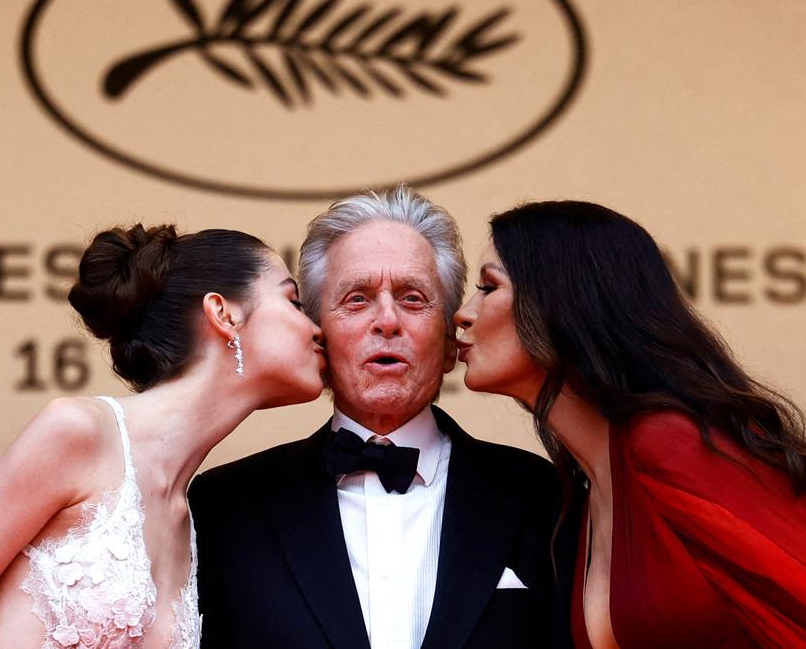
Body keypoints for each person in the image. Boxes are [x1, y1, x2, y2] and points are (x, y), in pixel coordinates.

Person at [453, 200, 806, 648]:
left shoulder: (672, 442)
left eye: (488, 287)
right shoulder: (588, 493)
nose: (463, 313)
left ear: (563, 302)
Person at [0, 224, 325, 648]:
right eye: (293, 302)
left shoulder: (191, 520)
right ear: (223, 313)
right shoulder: (76, 433)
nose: (317, 330)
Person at [188, 186, 566, 649]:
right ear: (316, 337)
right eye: (357, 299)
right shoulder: (226, 506)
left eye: (412, 299)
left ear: (451, 343)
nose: (387, 321)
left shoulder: (541, 495)